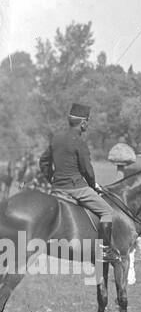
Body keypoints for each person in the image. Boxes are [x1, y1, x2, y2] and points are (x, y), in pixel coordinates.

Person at [39, 104, 116, 243]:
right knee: (107, 211)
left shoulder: (56, 138)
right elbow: (87, 170)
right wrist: (93, 186)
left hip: (57, 188)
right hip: (77, 189)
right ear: (83, 123)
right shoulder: (80, 142)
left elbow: (43, 161)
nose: (88, 124)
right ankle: (105, 250)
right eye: (88, 121)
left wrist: (52, 180)